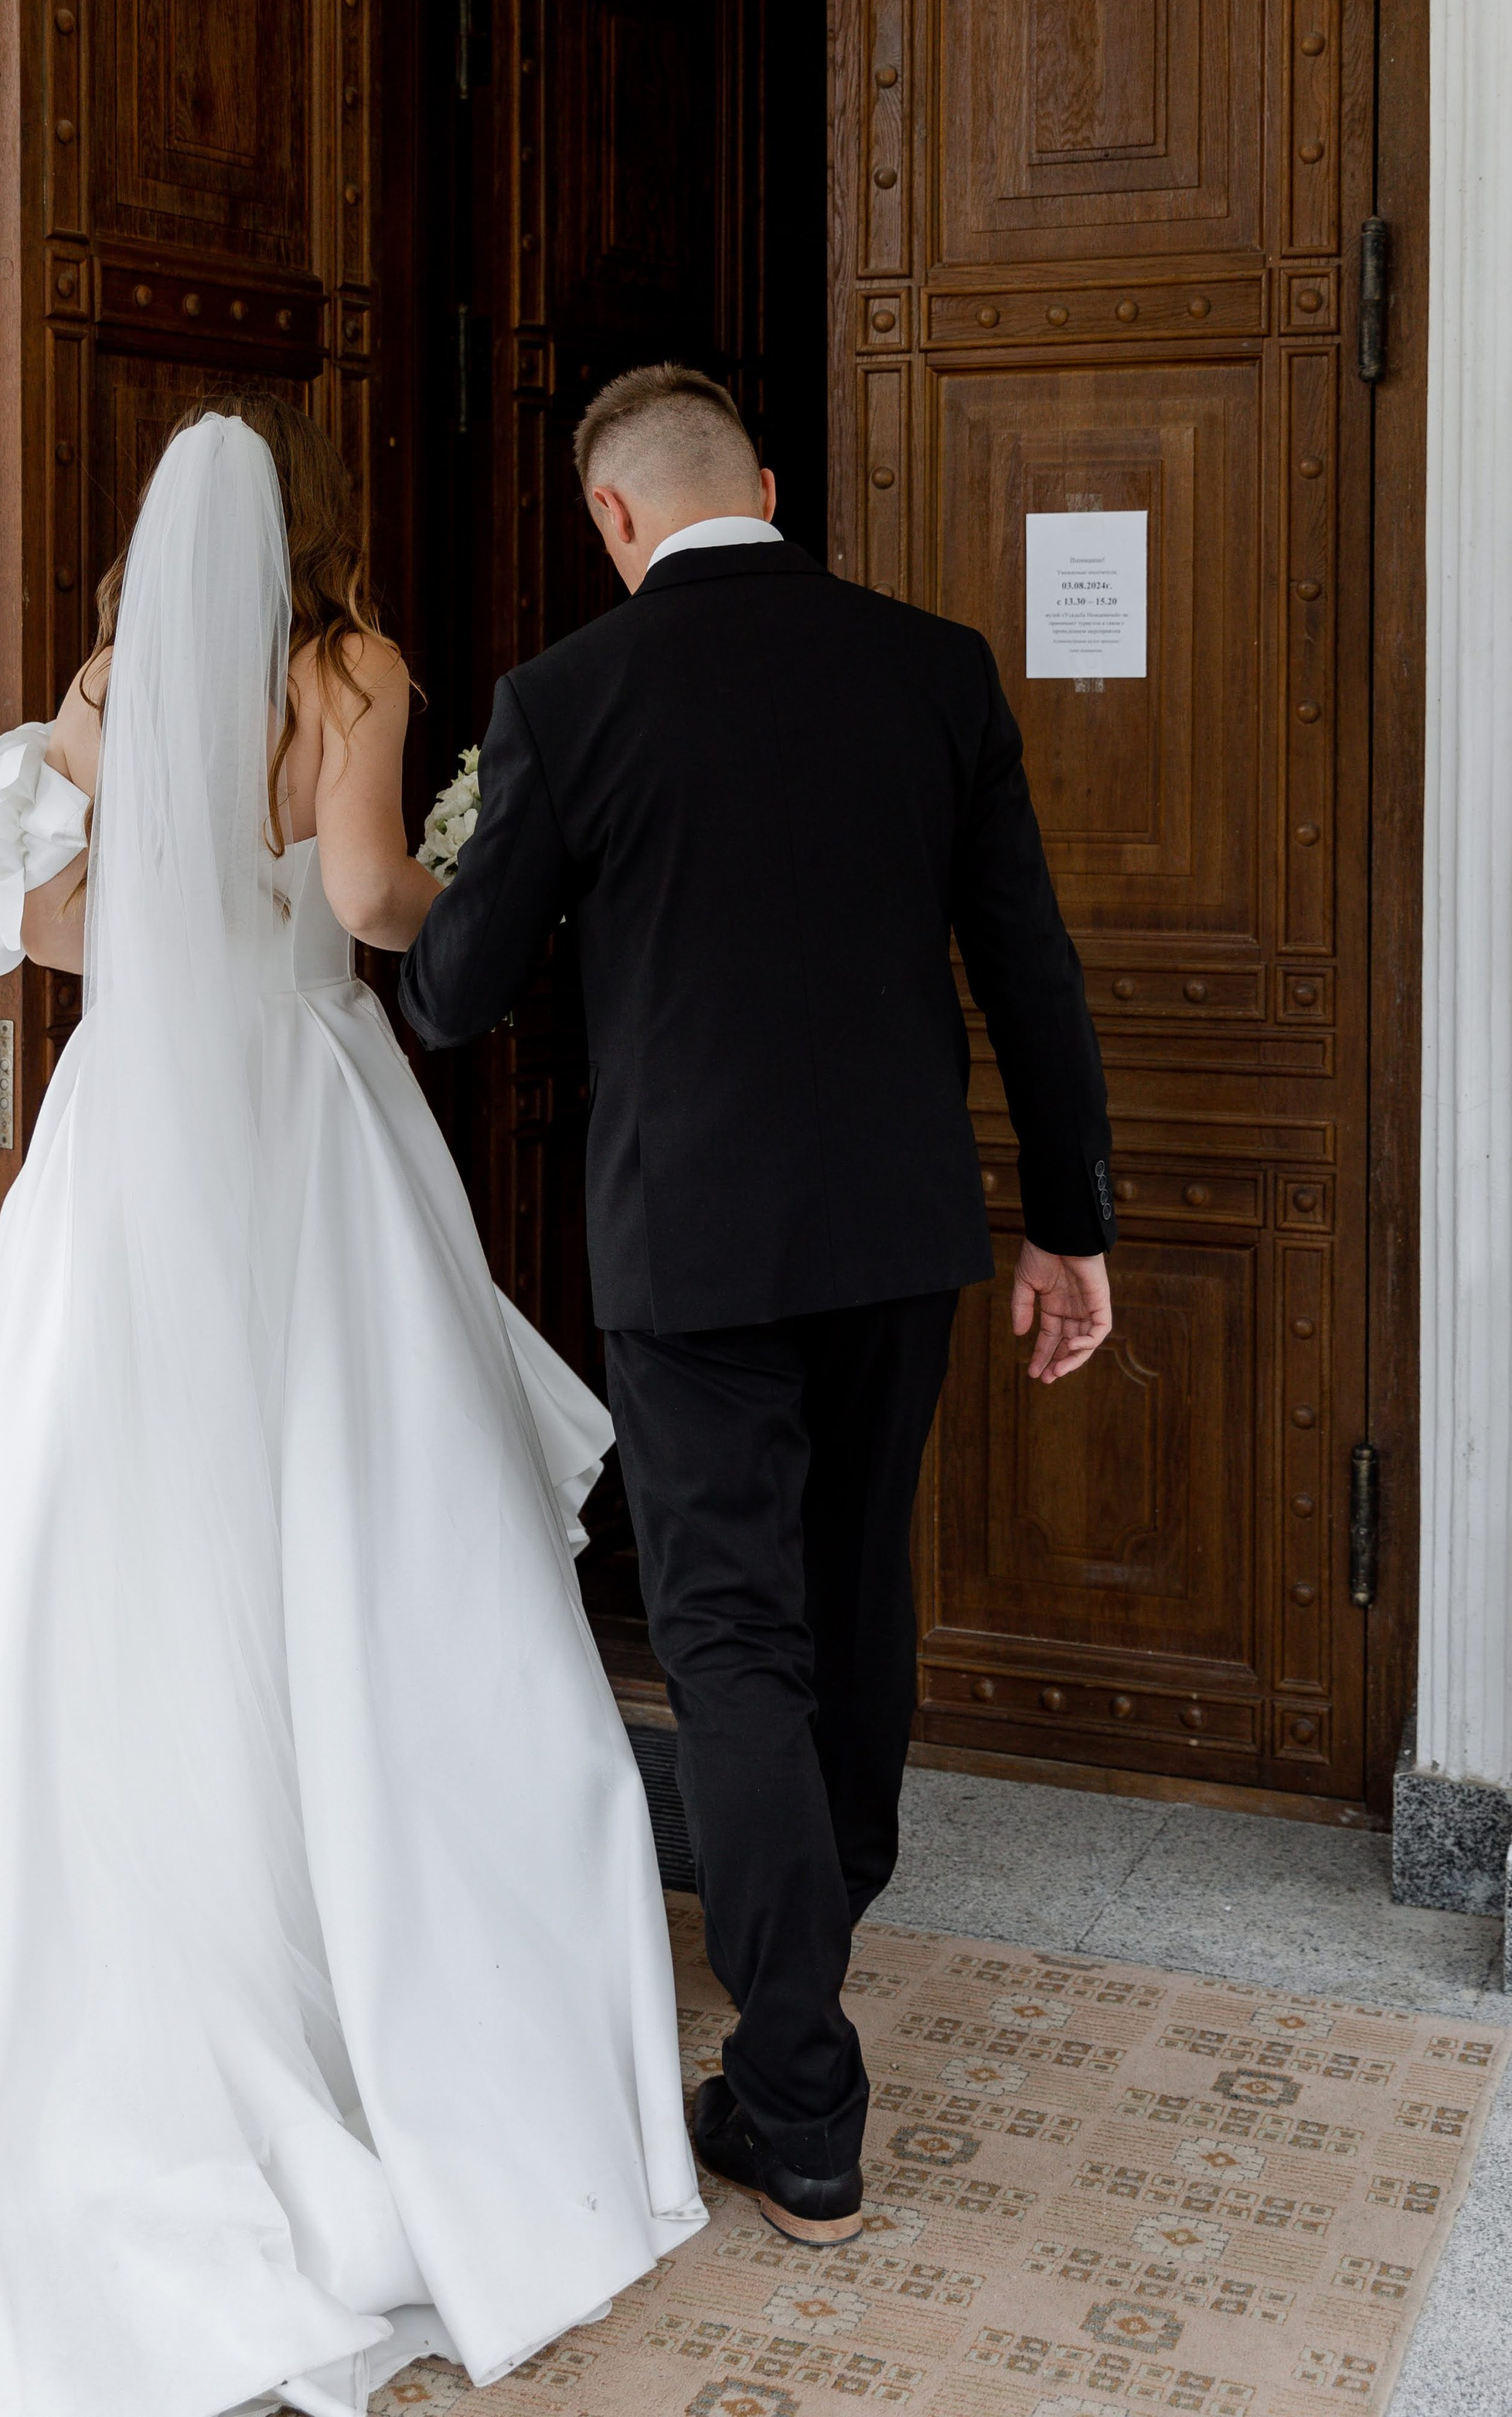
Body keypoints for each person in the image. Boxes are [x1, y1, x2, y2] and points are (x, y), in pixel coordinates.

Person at [0, 394, 703, 2417]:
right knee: (375, 1553)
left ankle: (174, 1953)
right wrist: (477, 904)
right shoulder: (351, 669)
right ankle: (427, 1984)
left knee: (147, 1556)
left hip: (123, 1161)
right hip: (305, 1126)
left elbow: (67, 925)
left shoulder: (112, 688)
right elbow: (360, 901)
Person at [400, 363, 1115, 2251]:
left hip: (692, 1244)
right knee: (848, 1581)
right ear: (768, 488)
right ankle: (825, 1904)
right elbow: (1027, 967)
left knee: (728, 1633)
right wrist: (1070, 1222)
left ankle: (796, 2095)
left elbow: (451, 992)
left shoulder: (568, 696)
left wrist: (499, 863)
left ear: (610, 519)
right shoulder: (934, 667)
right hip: (897, 1235)